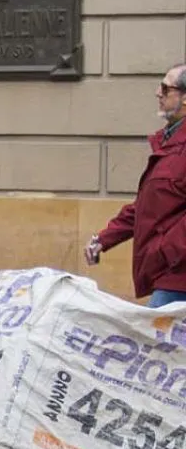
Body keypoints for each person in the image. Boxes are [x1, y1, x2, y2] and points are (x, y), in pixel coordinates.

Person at [86, 65, 186, 307]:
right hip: (168, 274)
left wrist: (168, 250)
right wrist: (104, 238)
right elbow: (147, 206)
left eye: (165, 88)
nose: (157, 93)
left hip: (177, 275)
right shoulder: (168, 143)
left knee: (155, 342)